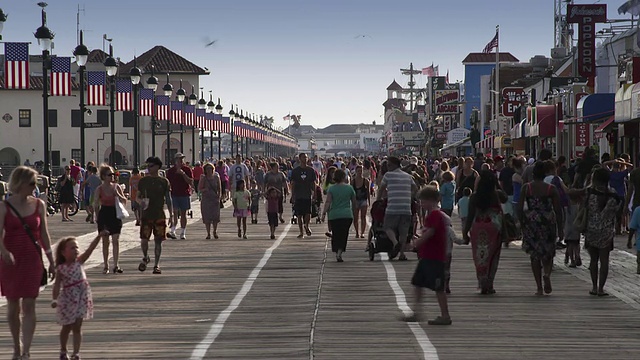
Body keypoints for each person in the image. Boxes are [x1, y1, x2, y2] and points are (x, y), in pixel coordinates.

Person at [0, 166, 56, 360]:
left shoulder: (39, 204)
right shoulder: (4, 207)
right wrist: (4, 251)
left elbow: (44, 235)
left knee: (30, 304)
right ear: (20, 183)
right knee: (13, 304)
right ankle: (16, 346)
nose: (35, 187)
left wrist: (51, 259)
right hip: (10, 261)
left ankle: (26, 351)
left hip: (32, 258)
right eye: (32, 183)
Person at [51, 231, 107, 360]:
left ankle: (76, 353)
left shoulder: (80, 261)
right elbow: (57, 285)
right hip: (68, 299)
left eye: (77, 247)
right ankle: (63, 350)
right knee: (66, 326)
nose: (76, 250)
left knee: (77, 326)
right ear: (63, 252)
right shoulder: (61, 268)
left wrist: (99, 236)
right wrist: (54, 299)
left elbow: (90, 249)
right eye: (72, 247)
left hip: (81, 296)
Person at [402, 186, 451, 325]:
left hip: (434, 257)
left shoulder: (434, 215)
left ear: (431, 201)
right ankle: (416, 312)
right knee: (417, 283)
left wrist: (415, 244)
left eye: (423, 201)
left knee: (438, 287)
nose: (421, 204)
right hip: (427, 257)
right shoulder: (435, 215)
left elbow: (430, 232)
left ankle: (445, 315)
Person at [518, 161, 564, 295]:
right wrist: (560, 228)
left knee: (534, 255)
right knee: (548, 251)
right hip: (547, 221)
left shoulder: (527, 188)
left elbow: (519, 208)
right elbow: (558, 209)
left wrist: (522, 222)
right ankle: (547, 274)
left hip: (531, 222)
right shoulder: (551, 189)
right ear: (545, 174)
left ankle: (539, 287)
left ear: (533, 174)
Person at [463, 170, 505, 295]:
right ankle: (490, 284)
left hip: (478, 227)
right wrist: (497, 185)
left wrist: (465, 232)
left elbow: (470, 216)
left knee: (480, 255)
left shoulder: (474, 197)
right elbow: (506, 197)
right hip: (494, 227)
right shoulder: (496, 195)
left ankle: (482, 282)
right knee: (493, 255)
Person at [582, 168, 621, 296]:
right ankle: (601, 288)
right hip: (606, 231)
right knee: (604, 261)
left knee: (593, 260)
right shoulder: (613, 194)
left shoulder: (589, 192)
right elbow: (617, 210)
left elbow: (584, 207)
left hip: (591, 229)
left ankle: (593, 286)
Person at [376, 156, 417, 260]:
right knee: (403, 232)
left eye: (389, 165)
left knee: (387, 227)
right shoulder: (407, 176)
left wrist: (378, 200)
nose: (388, 167)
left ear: (394, 165)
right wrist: (410, 197)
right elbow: (415, 188)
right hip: (406, 208)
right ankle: (402, 254)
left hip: (393, 207)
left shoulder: (388, 175)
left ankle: (395, 243)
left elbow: (381, 189)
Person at [137, 157, 172, 274]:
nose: (148, 168)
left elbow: (168, 198)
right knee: (144, 239)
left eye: (151, 166)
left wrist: (171, 214)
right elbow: (137, 196)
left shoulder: (164, 181)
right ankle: (145, 257)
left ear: (157, 166)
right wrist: (140, 201)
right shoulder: (143, 181)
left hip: (159, 214)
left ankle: (156, 265)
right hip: (146, 214)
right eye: (147, 166)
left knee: (158, 240)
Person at [92, 165, 127, 275]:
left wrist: (118, 196)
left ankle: (116, 264)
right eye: (109, 175)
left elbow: (125, 201)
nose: (112, 176)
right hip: (104, 215)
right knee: (105, 241)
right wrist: (97, 217)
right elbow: (96, 204)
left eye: (113, 174)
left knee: (115, 240)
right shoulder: (99, 189)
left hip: (115, 214)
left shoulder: (116, 187)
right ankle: (106, 265)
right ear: (103, 176)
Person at [321, 169, 356, 262]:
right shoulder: (350, 188)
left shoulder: (331, 189)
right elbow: (354, 203)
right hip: (347, 215)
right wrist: (354, 213)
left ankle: (337, 250)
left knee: (336, 233)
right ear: (344, 177)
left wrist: (324, 213)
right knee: (344, 234)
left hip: (334, 215)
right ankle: (340, 252)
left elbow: (328, 202)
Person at [166, 153, 194, 240]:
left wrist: (183, 174)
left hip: (184, 194)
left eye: (182, 159)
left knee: (183, 213)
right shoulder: (170, 171)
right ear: (175, 160)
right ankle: (173, 231)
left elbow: (191, 182)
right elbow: (167, 183)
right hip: (174, 194)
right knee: (174, 212)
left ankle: (182, 232)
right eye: (178, 159)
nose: (180, 161)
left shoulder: (187, 169)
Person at [290, 153, 318, 238]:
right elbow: (293, 183)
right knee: (299, 214)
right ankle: (301, 232)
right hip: (298, 194)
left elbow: (313, 183)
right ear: (299, 159)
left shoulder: (311, 170)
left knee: (308, 212)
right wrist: (293, 195)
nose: (305, 159)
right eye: (303, 157)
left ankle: (307, 225)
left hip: (307, 194)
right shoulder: (295, 171)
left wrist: (315, 193)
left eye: (306, 157)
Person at [198, 163, 221, 239]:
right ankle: (208, 233)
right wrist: (204, 189)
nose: (209, 170)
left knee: (215, 217)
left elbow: (219, 187)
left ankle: (214, 231)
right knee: (207, 217)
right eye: (207, 169)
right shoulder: (203, 178)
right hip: (206, 199)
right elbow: (199, 189)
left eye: (210, 169)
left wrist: (219, 196)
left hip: (214, 199)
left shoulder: (216, 177)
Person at [351, 165, 370, 238]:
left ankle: (362, 233)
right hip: (356, 201)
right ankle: (357, 232)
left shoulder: (366, 181)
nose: (360, 172)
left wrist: (369, 201)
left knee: (363, 217)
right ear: (356, 171)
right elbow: (351, 193)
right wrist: (352, 202)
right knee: (355, 218)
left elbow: (368, 191)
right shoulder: (353, 182)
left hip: (363, 200)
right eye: (358, 171)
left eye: (361, 171)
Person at [564, 191, 582, 268]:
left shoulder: (566, 208)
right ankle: (577, 255)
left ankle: (572, 260)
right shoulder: (579, 207)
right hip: (576, 228)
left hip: (568, 229)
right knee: (576, 244)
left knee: (569, 246)